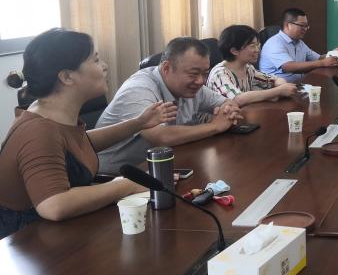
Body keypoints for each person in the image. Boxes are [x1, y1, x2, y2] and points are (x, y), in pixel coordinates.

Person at [0, 29, 177, 239]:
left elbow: (77, 144)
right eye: (96, 60)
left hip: (57, 232)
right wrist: (126, 185)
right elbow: (54, 205)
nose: (105, 66)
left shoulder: (49, 113)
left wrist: (138, 123)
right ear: (67, 76)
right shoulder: (39, 130)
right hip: (27, 240)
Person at [96, 37, 244, 173]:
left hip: (164, 167)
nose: (200, 81)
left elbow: (227, 102)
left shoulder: (193, 87)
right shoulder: (138, 89)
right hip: (114, 178)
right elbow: (160, 137)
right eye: (193, 74)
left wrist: (228, 110)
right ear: (166, 68)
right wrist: (214, 126)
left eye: (205, 73)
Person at [207, 25, 299, 102]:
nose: (257, 50)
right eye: (252, 46)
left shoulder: (248, 68)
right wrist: (278, 91)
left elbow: (274, 80)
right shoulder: (220, 74)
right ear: (234, 51)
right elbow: (237, 99)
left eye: (257, 45)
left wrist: (283, 87)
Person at [259, 8, 338, 82]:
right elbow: (288, 66)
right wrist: (322, 63)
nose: (305, 29)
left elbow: (319, 58)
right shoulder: (274, 43)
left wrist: (334, 53)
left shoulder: (299, 42)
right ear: (288, 25)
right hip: (276, 89)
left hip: (298, 85)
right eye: (302, 25)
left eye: (306, 26)